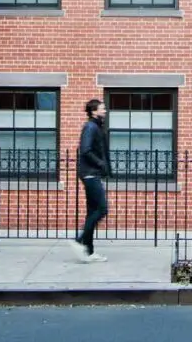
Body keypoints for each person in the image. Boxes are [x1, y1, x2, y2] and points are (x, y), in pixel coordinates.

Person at [72, 98, 112, 262]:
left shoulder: (96, 126)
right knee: (102, 209)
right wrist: (101, 164)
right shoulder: (90, 127)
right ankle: (79, 240)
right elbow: (85, 150)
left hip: (93, 173)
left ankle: (89, 252)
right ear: (94, 111)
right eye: (102, 108)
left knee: (92, 212)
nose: (105, 110)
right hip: (90, 173)